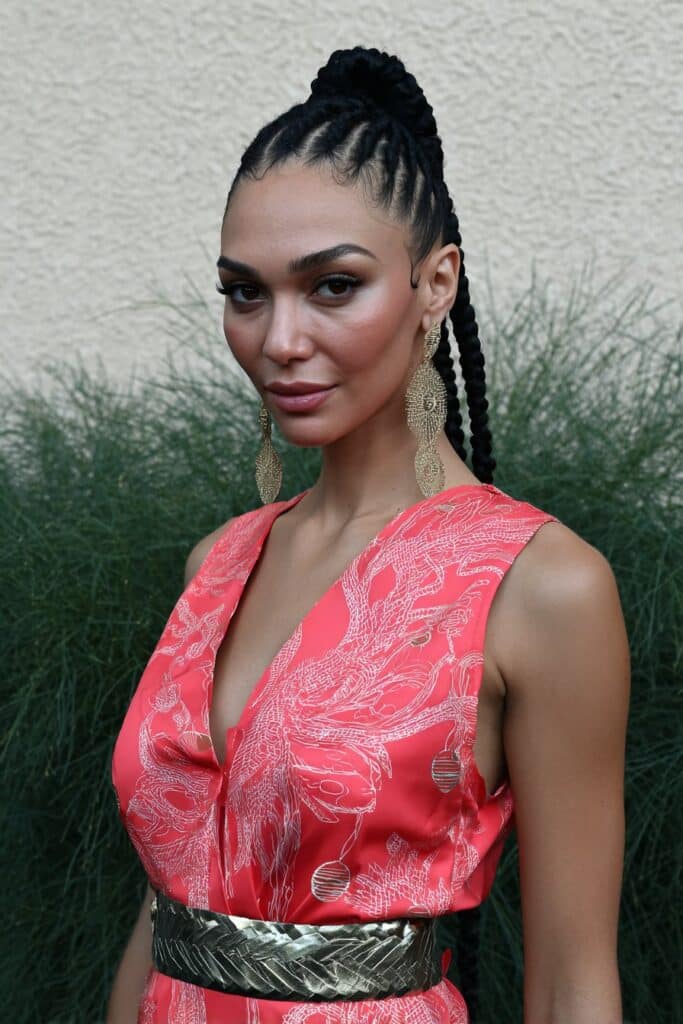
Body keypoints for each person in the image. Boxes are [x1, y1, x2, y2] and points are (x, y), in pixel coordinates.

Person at [107, 45, 630, 1024]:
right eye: (245, 290)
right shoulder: (218, 561)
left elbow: (569, 983)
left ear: (434, 284)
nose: (278, 339)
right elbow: (169, 900)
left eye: (332, 285)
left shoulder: (539, 586)